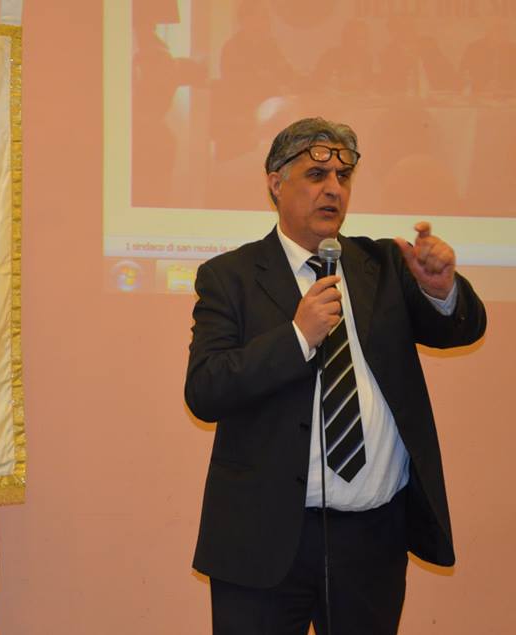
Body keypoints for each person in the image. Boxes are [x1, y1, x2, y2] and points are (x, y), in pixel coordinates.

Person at [184, 117, 487, 634]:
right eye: (316, 175)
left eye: (343, 178)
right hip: (263, 538)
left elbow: (459, 329)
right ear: (276, 183)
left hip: (372, 540)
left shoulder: (384, 265)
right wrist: (297, 337)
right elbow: (205, 389)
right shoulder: (230, 277)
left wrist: (442, 291)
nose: (333, 189)